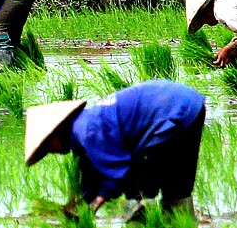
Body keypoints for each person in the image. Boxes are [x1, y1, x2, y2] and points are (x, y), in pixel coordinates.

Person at [24, 80, 206, 218]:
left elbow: (119, 171)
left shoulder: (87, 131)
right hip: (191, 105)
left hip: (167, 112)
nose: (52, 152)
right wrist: (85, 202)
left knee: (138, 191)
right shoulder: (87, 124)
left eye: (47, 147)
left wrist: (97, 202)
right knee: (177, 189)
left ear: (56, 134)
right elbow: (94, 175)